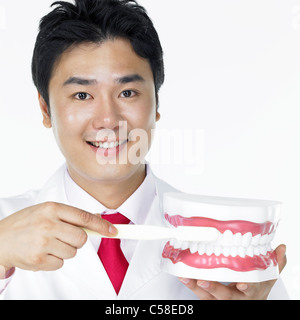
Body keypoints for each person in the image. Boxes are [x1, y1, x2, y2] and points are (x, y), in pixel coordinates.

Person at [0, 0, 288, 300]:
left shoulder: (235, 244)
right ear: (46, 109)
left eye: (127, 92)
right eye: (82, 94)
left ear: (156, 104)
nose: (108, 120)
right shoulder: (4, 229)